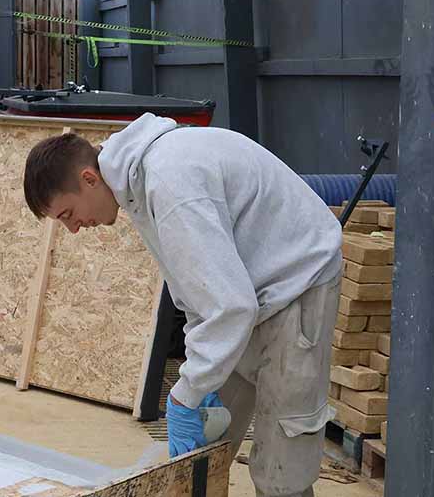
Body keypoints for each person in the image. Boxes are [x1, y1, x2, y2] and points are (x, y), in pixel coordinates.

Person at [23, 114, 343, 497]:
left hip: (297, 281)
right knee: (203, 449)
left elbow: (230, 307)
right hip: (248, 290)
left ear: (89, 179)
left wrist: (184, 394)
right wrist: (196, 377)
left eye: (69, 215)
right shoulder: (135, 185)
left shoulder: (169, 183)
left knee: (280, 469)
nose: (75, 229)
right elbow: (199, 295)